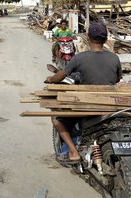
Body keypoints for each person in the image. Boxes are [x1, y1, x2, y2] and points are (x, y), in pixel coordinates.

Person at [45, 23, 122, 163]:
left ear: (88, 38)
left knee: (56, 119)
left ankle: (73, 152)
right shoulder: (114, 58)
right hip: (110, 105)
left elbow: (61, 76)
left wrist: (51, 78)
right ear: (105, 39)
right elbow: (117, 79)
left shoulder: (80, 58)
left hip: (89, 106)